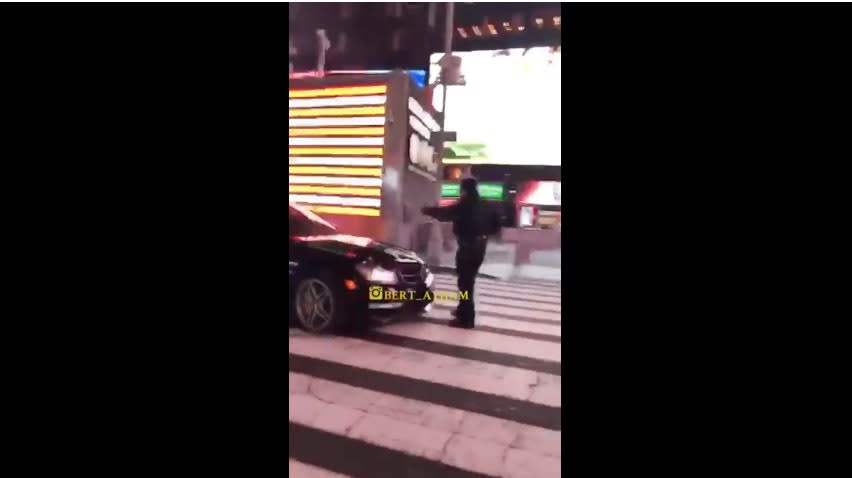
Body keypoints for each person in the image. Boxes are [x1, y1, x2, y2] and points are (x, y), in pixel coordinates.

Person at [422, 178, 501, 328]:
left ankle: (466, 318)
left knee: (465, 283)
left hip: (468, 247)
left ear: (464, 189)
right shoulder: (485, 204)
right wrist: (484, 233)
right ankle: (462, 310)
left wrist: (427, 210)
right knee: (468, 280)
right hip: (480, 246)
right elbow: (497, 224)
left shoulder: (466, 204)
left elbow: (446, 213)